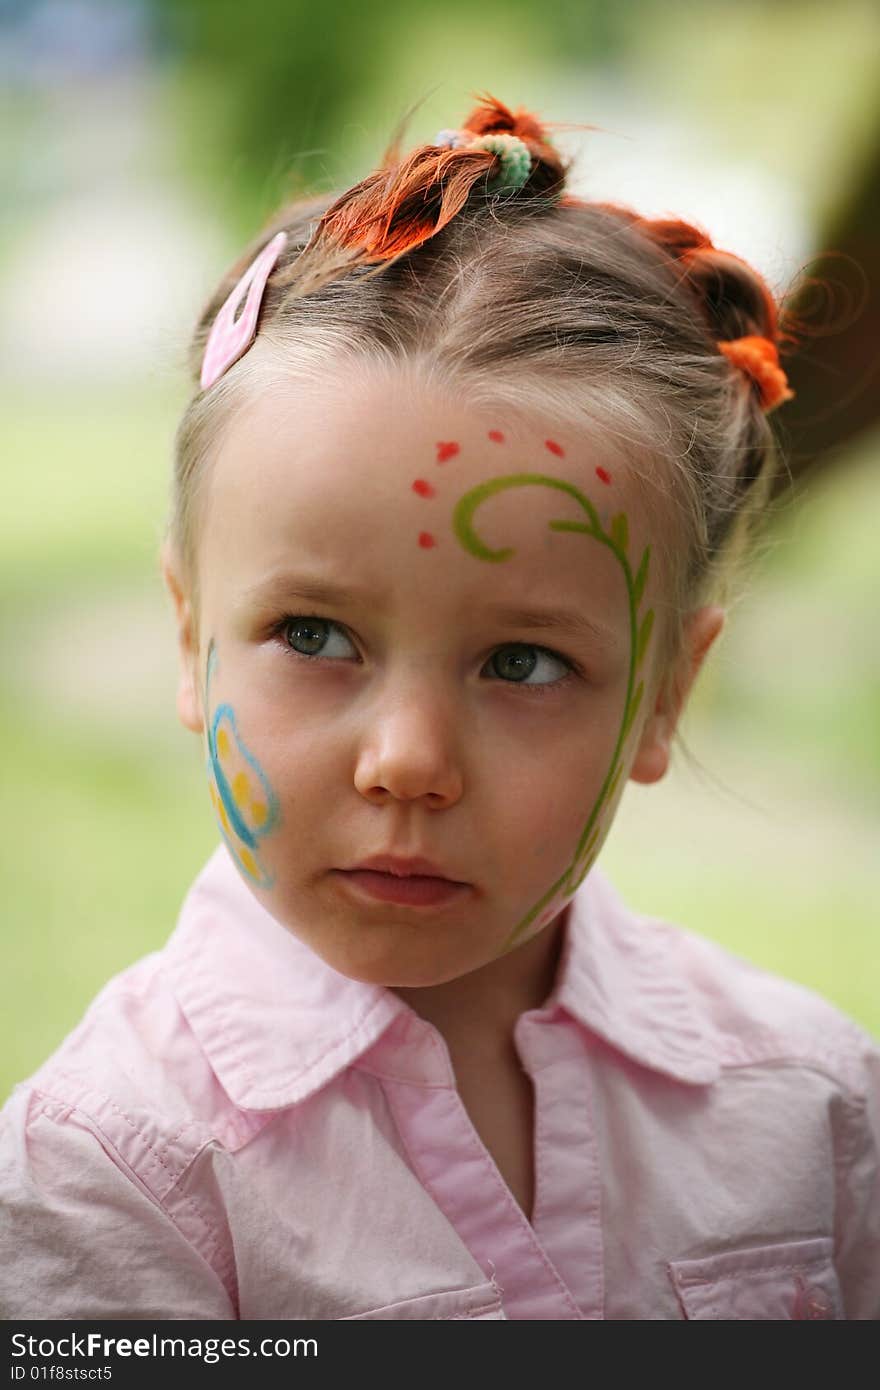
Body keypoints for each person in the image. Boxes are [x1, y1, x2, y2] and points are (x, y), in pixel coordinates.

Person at [1, 93, 877, 1322]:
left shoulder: (816, 1108)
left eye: (521, 663)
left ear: (667, 692)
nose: (408, 764)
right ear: (192, 635)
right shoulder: (110, 1176)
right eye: (314, 637)